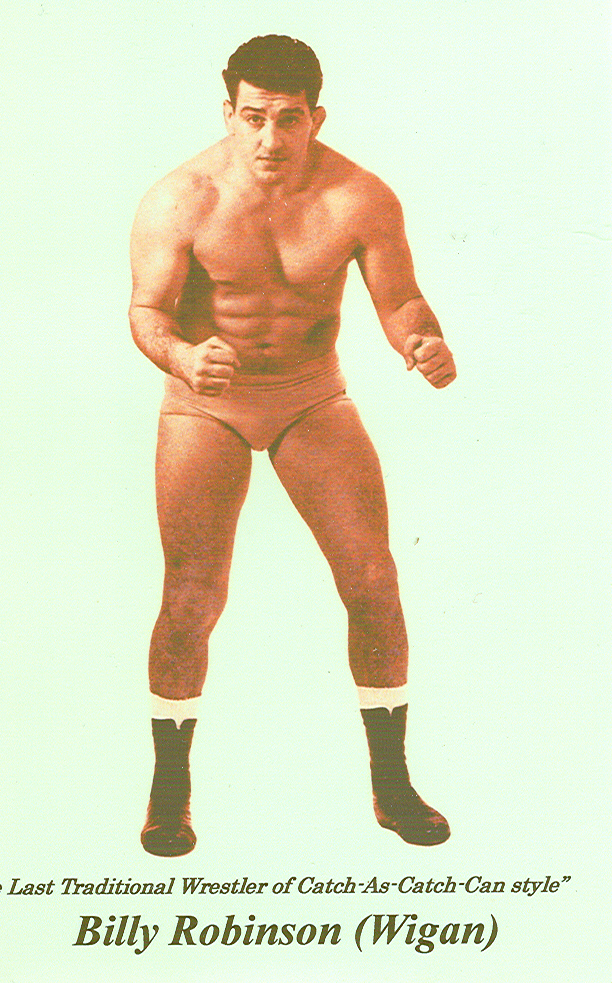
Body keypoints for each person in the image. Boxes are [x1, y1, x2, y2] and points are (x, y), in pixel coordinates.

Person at [129, 35, 456, 856]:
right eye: (253, 118)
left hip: (310, 395)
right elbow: (148, 311)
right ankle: (169, 790)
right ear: (228, 112)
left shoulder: (360, 197)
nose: (269, 138)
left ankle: (392, 783)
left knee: (374, 580)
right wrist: (182, 356)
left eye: (287, 119)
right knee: (192, 597)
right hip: (205, 404)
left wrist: (421, 341)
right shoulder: (180, 198)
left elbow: (401, 299)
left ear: (317, 118)